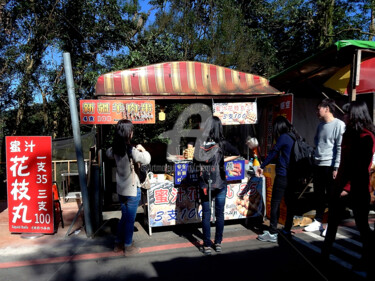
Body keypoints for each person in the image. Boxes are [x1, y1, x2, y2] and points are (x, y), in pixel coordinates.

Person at [321, 101, 375, 276]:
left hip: (358, 189)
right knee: (333, 221)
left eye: (346, 113)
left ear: (355, 115)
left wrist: (347, 188)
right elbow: (344, 164)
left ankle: (367, 258)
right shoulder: (348, 134)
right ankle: (324, 254)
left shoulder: (367, 137)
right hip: (341, 187)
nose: (343, 116)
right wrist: (338, 185)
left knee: (362, 225)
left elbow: (361, 167)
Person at [194, 116, 240, 255]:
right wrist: (222, 160)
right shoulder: (222, 143)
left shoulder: (200, 142)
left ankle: (207, 245)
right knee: (220, 214)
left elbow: (194, 162)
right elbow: (237, 153)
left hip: (204, 184)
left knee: (206, 215)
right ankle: (218, 243)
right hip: (220, 183)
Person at [106, 119, 151, 256]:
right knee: (130, 220)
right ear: (128, 133)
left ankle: (118, 244)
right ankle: (128, 246)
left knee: (124, 217)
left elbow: (107, 153)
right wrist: (143, 149)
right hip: (132, 190)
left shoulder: (114, 149)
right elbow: (147, 159)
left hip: (121, 190)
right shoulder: (132, 150)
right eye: (131, 130)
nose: (132, 133)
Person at [304, 98, 345, 233]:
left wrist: (336, 167)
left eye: (318, 109)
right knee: (319, 195)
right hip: (318, 164)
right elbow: (317, 143)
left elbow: (340, 147)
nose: (317, 111)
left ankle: (331, 224)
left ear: (326, 108)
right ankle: (318, 221)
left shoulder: (339, 125)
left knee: (332, 196)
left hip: (330, 165)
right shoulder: (320, 125)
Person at [256, 115, 298, 243]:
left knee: (275, 202)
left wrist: (262, 166)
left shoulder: (283, 137)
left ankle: (273, 232)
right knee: (290, 203)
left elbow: (274, 152)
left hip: (282, 174)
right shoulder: (294, 136)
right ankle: (286, 229)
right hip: (293, 176)